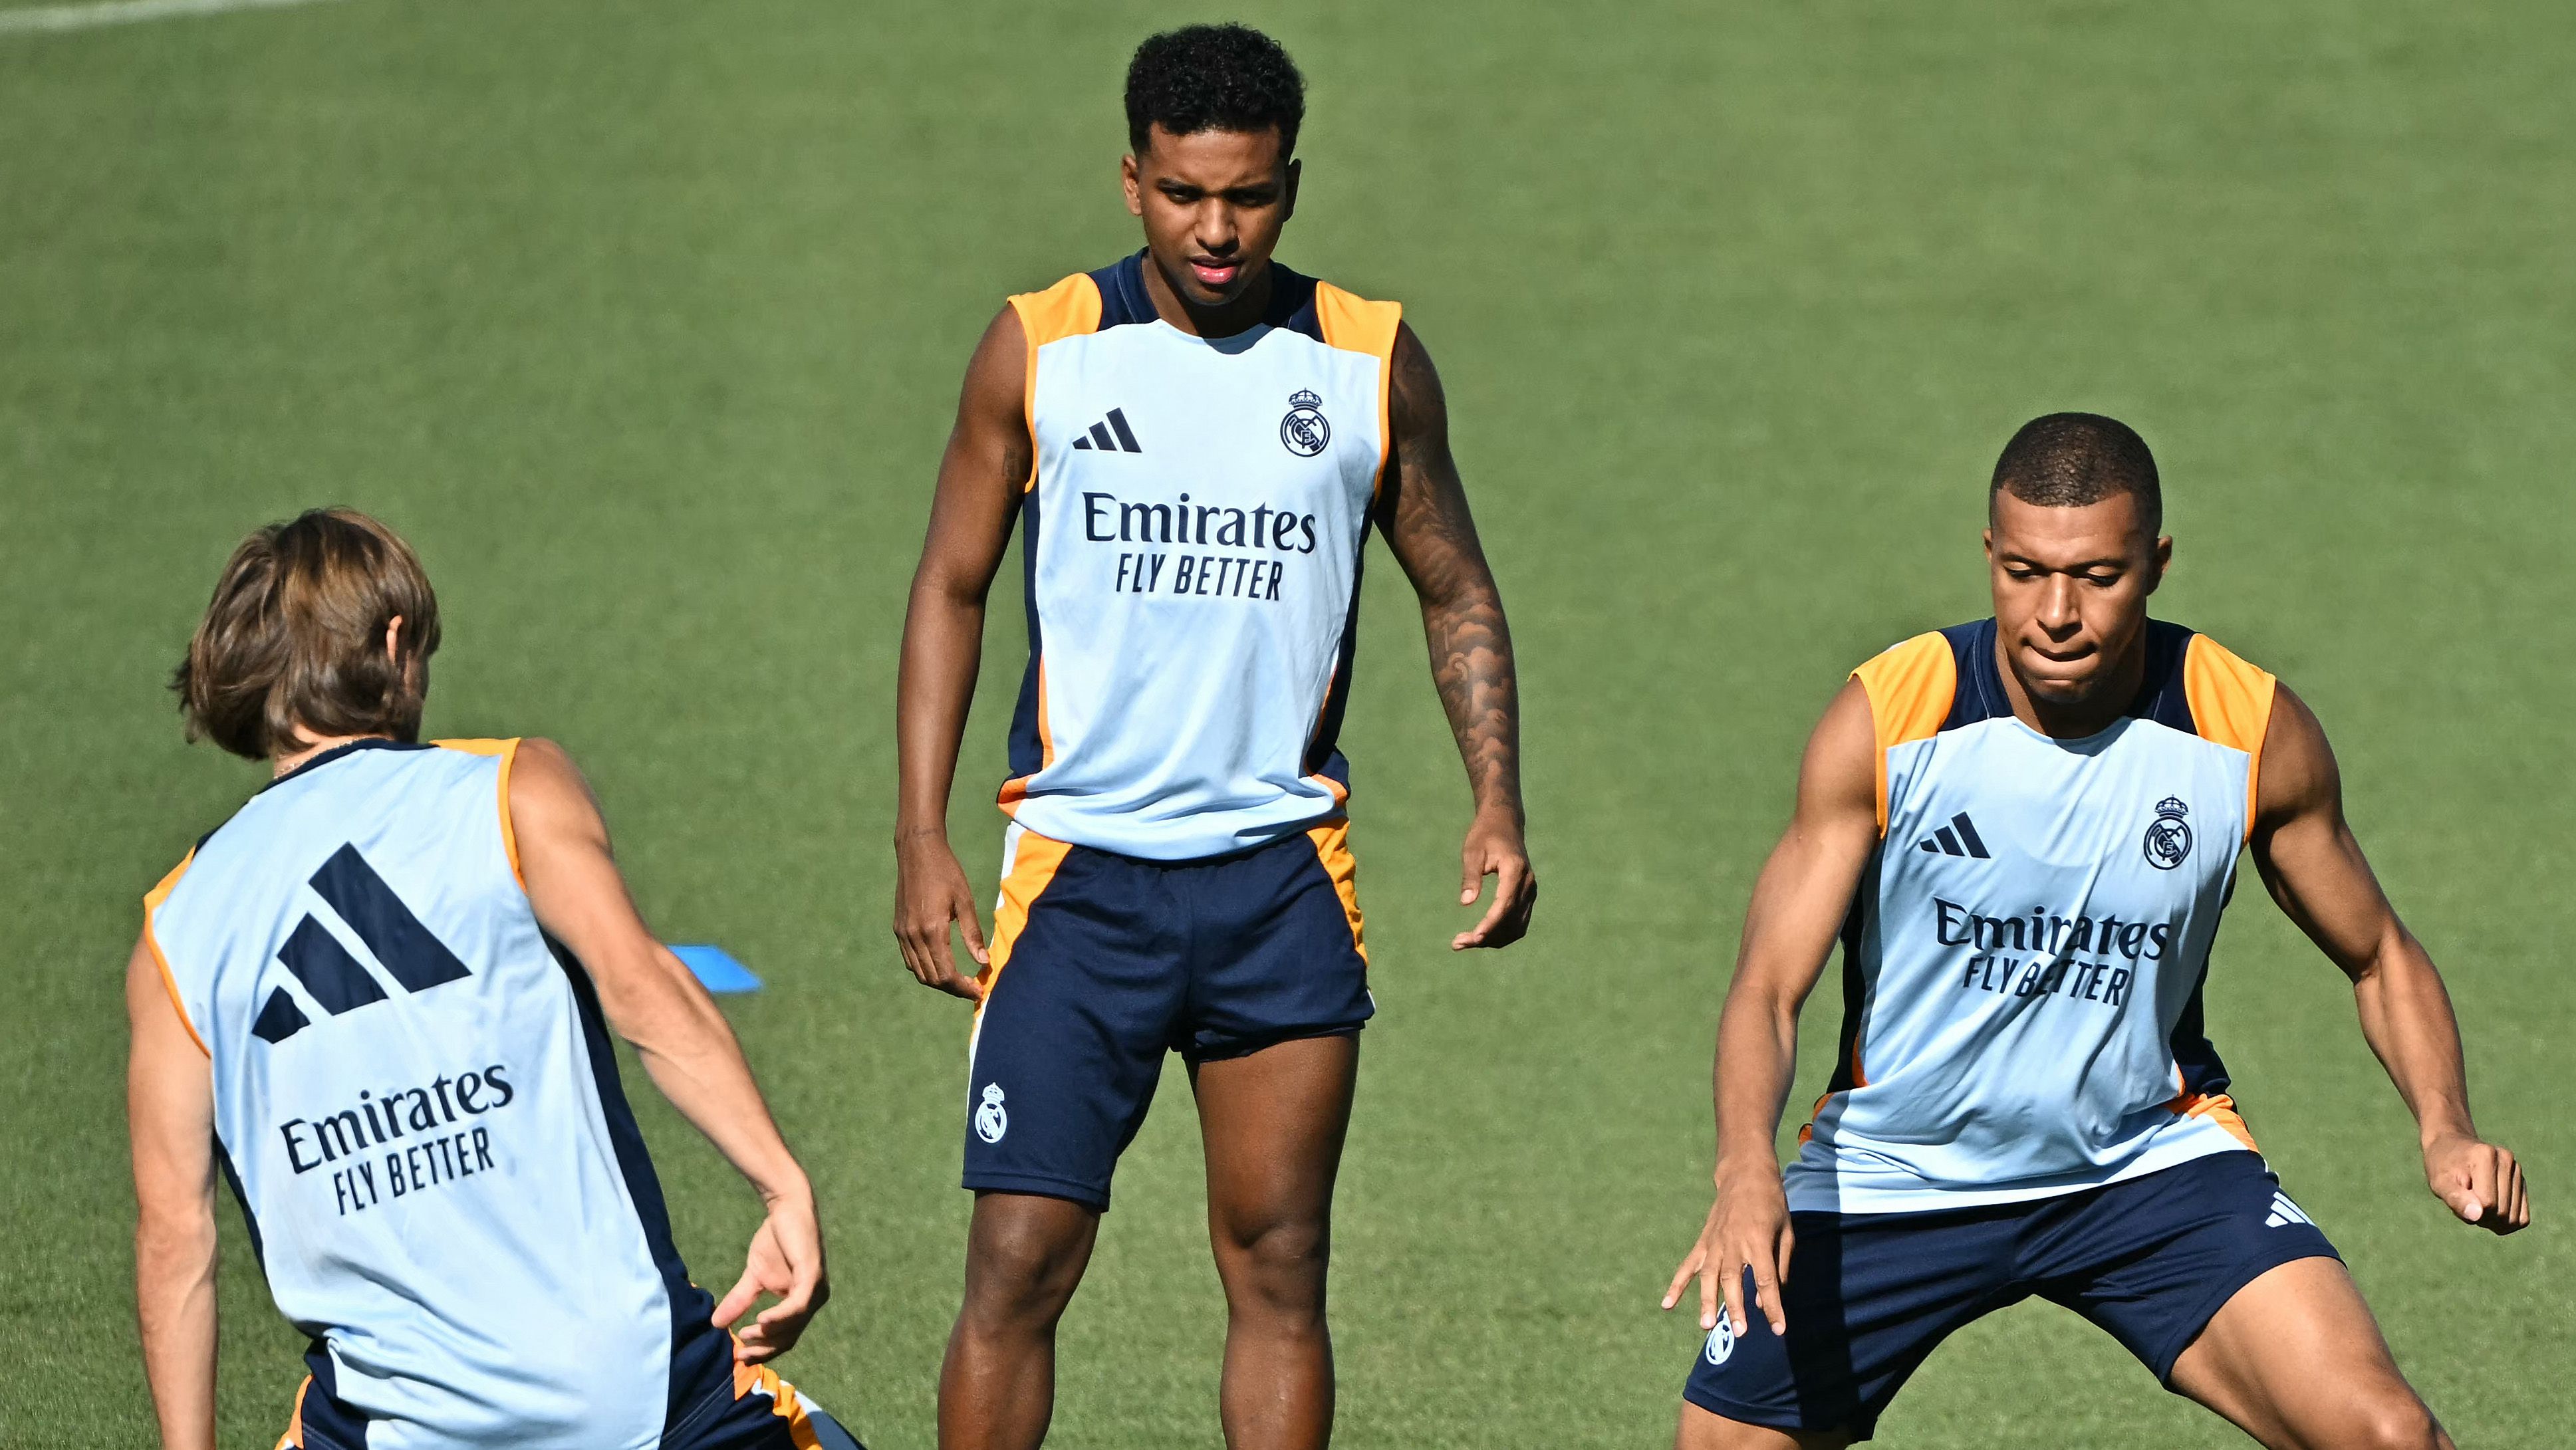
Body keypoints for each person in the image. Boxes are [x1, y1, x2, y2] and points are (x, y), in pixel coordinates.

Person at [891, 23, 1536, 1450]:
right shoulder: (1043, 346)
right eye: (1185, 193)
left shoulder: (1365, 360)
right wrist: (921, 833)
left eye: (1245, 195)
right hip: (1075, 879)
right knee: (1014, 1266)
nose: (1217, 229)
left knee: (1279, 1267)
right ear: (1131, 180)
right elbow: (949, 583)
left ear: (1290, 186)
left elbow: (1453, 586)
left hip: (1277, 880)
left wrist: (1495, 797)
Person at [1660, 415, 2529, 1448]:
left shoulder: (2240, 727)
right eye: (2024, 573)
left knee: (2386, 1437)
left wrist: (2443, 1124)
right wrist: (1743, 1167)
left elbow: (2377, 952)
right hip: (1894, 1171)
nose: (2056, 613)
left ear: (2156, 563)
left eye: (2097, 576)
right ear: (1988, 555)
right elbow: (1766, 986)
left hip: (2143, 1170)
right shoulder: (1894, 715)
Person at [127, 509, 862, 1450]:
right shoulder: (509, 792)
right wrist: (780, 1184)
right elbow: (645, 996)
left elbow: (174, 1237)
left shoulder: (174, 929)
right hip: (635, 1408)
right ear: (394, 645)